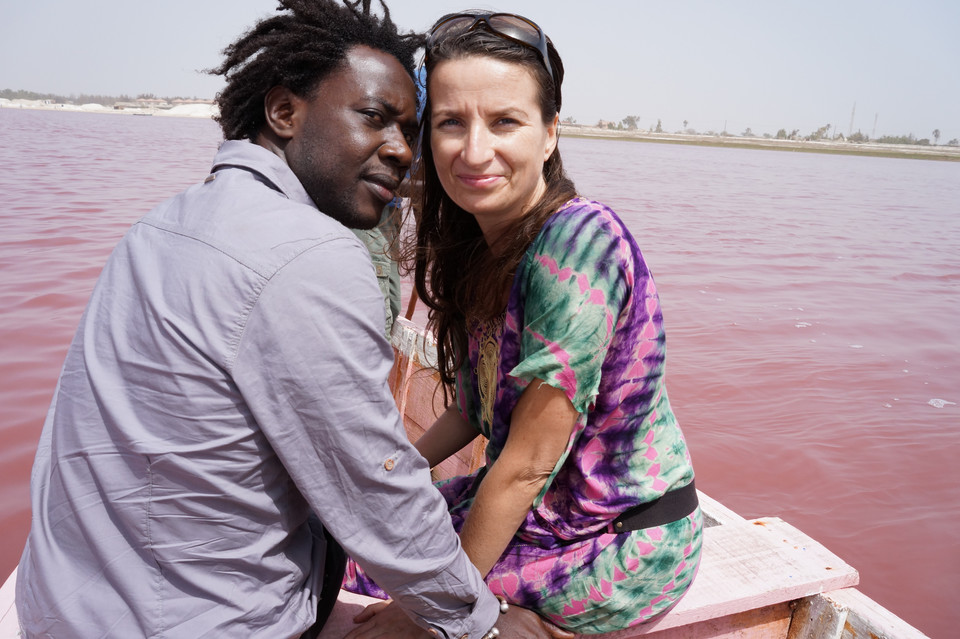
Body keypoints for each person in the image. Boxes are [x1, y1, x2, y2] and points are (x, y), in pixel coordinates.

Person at [14, 2, 503, 637]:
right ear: (283, 112)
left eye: (409, 132)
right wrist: (478, 623)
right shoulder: (312, 254)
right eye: (375, 118)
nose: (399, 151)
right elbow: (377, 489)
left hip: (63, 606)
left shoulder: (163, 221)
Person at [343, 11, 703, 635]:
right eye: (452, 123)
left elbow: (527, 464)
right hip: (544, 512)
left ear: (549, 133)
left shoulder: (580, 244)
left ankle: (530, 627)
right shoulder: (483, 248)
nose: (474, 150)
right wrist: (392, 472)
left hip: (619, 540)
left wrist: (420, 615)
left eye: (505, 121)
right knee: (354, 541)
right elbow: (472, 414)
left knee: (372, 576)